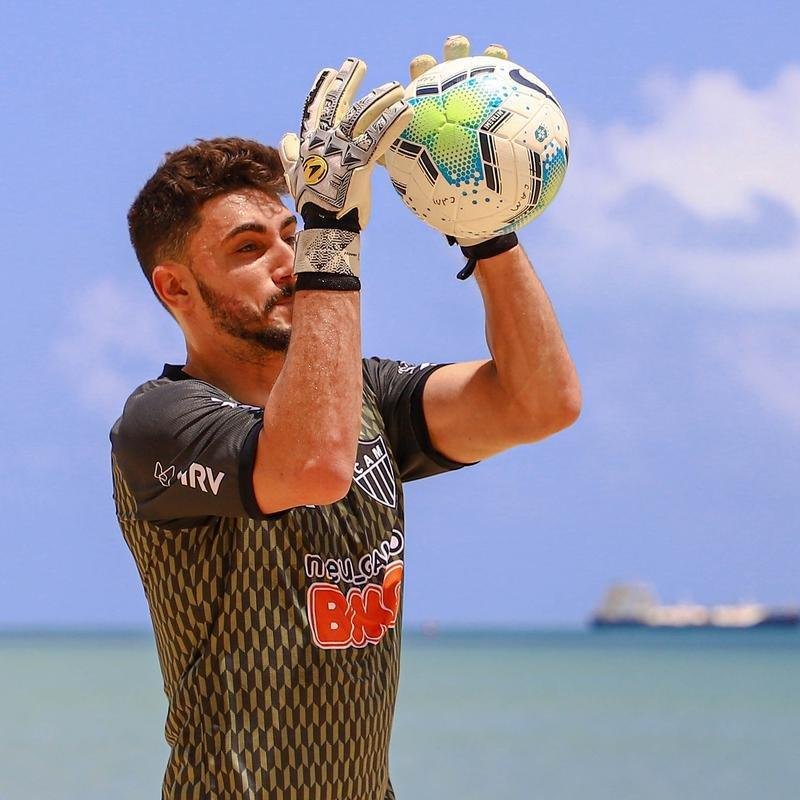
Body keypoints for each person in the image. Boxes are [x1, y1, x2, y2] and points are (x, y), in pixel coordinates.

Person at [111, 40, 580, 800]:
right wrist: (332, 234)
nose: (288, 261)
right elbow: (312, 465)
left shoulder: (368, 397)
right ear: (176, 289)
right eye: (249, 248)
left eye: (291, 235)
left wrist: (485, 226)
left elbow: (541, 402)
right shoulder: (158, 425)